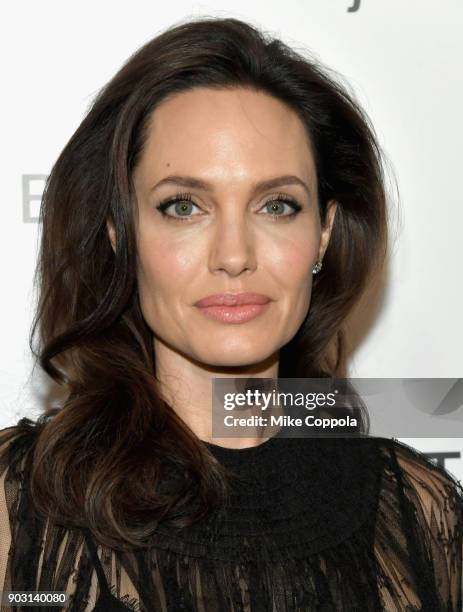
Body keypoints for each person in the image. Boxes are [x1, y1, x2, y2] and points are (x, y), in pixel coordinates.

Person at [0, 15, 462, 612]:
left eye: (277, 205)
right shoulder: (19, 506)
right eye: (184, 206)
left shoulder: (418, 516)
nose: (235, 256)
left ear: (324, 233)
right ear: (120, 235)